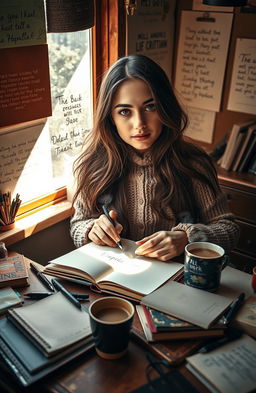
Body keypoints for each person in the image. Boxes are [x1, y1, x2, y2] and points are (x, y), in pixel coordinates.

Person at [70, 54, 239, 261]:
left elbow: (229, 230)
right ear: (110, 118)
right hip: (114, 282)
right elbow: (78, 225)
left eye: (150, 107)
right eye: (124, 111)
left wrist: (187, 237)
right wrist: (91, 229)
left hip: (180, 282)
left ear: (165, 107)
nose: (139, 123)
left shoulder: (193, 162)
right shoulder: (93, 165)